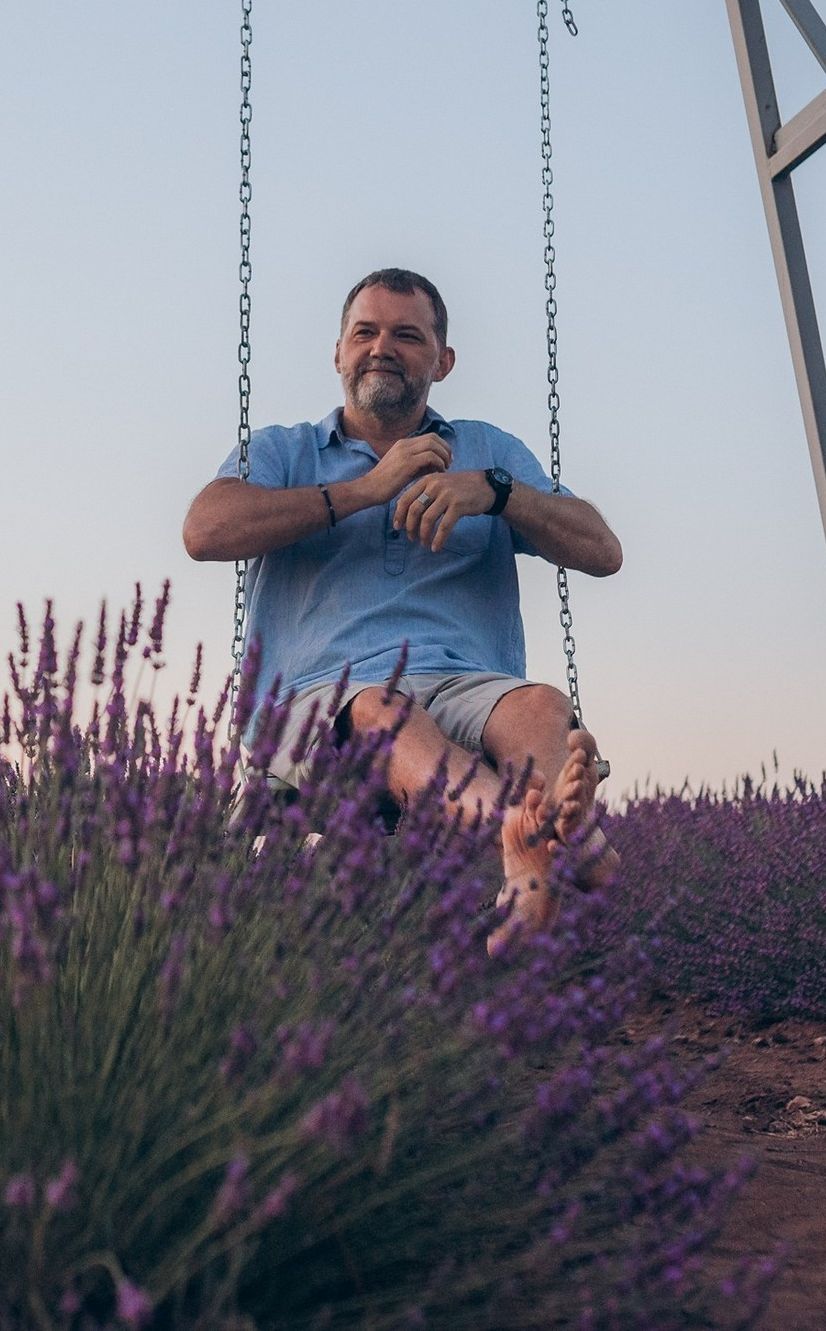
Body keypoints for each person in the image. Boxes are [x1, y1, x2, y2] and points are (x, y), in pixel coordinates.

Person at [182, 268, 622, 945]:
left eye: (407, 335)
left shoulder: (487, 451)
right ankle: (551, 831)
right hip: (320, 702)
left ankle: (535, 854)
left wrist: (497, 492)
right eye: (366, 331)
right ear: (338, 352)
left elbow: (601, 549)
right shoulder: (283, 450)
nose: (382, 346)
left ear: (442, 361)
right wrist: (368, 488)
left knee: (538, 705)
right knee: (380, 711)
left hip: (468, 685)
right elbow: (205, 531)